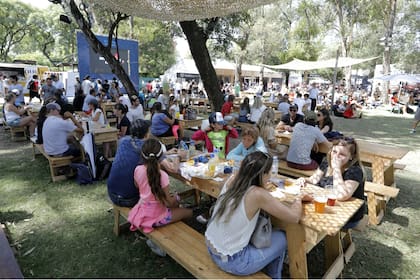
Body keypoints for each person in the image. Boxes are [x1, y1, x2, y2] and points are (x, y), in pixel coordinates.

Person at [205, 151, 310, 279]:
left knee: (269, 232)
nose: (270, 176)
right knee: (283, 236)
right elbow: (294, 217)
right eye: (269, 173)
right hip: (234, 262)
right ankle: (274, 276)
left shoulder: (233, 179)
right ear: (262, 174)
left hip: (212, 248)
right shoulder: (258, 194)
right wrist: (299, 198)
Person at [107, 119, 181, 208]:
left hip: (112, 193)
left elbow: (140, 153)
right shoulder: (147, 147)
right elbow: (173, 169)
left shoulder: (123, 141)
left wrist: (165, 153)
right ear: (147, 134)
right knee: (159, 191)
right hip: (130, 198)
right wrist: (179, 156)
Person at [296, 137, 366, 228]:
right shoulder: (327, 161)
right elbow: (313, 180)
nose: (336, 157)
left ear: (351, 156)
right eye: (334, 152)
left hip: (346, 215)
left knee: (303, 217)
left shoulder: (354, 170)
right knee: (298, 211)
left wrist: (336, 168)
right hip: (327, 206)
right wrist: (304, 179)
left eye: (342, 154)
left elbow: (342, 196)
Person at [127, 138, 192, 234]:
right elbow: (169, 202)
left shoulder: (138, 169)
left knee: (176, 207)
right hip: (157, 215)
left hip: (142, 210)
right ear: (161, 156)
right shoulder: (162, 176)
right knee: (189, 212)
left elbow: (137, 185)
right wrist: (176, 197)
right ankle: (178, 233)